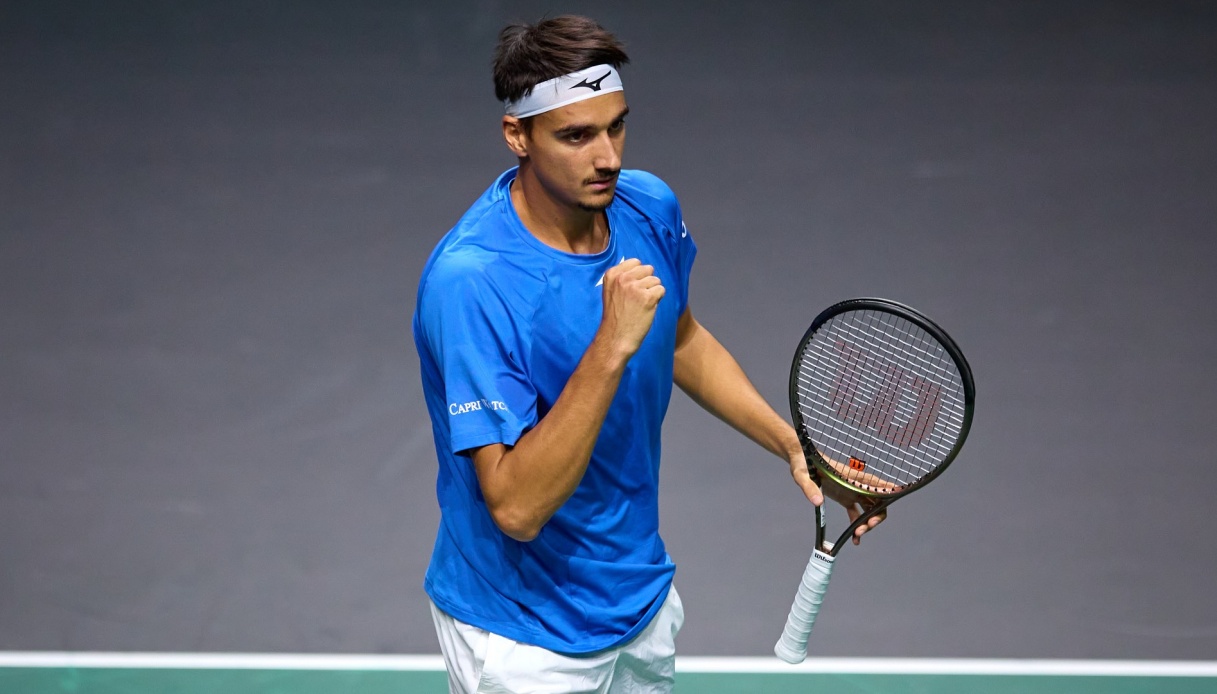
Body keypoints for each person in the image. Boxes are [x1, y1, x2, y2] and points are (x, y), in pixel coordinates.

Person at [412, 15, 885, 693]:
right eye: (576, 136)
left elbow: (681, 339)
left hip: (638, 600)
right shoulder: (474, 282)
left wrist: (790, 446)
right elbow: (515, 509)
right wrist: (609, 345)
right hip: (522, 634)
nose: (607, 157)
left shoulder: (647, 207)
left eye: (616, 127)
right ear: (517, 135)